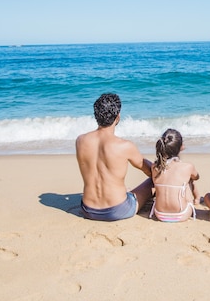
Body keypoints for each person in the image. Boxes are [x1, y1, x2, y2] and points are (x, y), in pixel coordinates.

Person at [76, 93, 154, 221]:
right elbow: (149, 171)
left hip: (88, 209)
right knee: (153, 182)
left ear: (96, 116)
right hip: (118, 210)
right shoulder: (124, 146)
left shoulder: (80, 141)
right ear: (117, 117)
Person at [150, 129, 200, 222]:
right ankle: (197, 199)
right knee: (189, 179)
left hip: (159, 213)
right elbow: (197, 177)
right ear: (181, 147)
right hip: (181, 214)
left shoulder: (154, 167)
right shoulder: (187, 166)